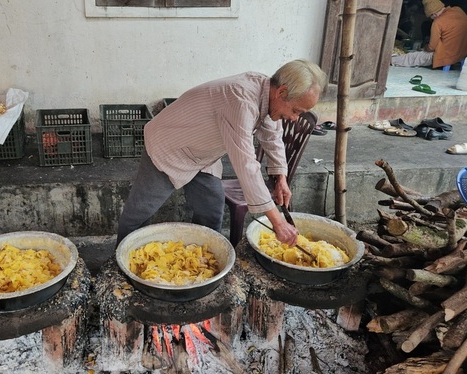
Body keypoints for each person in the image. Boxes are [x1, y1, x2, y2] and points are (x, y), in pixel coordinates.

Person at [115, 59, 328, 248]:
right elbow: (246, 164)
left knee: (211, 209)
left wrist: (280, 178)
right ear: (281, 92)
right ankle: (120, 261)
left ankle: (202, 258)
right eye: (296, 111)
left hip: (202, 154)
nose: (293, 118)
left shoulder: (268, 93)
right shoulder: (240, 99)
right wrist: (278, 222)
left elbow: (272, 136)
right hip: (170, 146)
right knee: (139, 212)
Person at [391, 0, 467, 69]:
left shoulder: (438, 22)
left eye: (430, 17)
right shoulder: (458, 10)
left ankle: (391, 60)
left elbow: (431, 47)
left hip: (448, 56)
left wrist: (425, 48)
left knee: (414, 57)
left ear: (434, 14)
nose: (431, 19)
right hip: (466, 52)